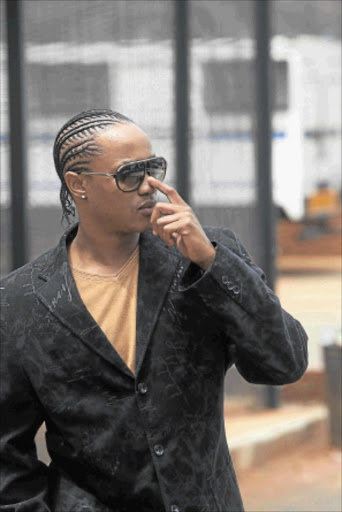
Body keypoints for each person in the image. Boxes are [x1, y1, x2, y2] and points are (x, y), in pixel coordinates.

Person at [0, 109, 308, 512]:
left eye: (153, 167)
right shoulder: (20, 299)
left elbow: (284, 363)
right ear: (78, 185)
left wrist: (213, 263)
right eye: (129, 173)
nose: (150, 185)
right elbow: (7, 456)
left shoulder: (203, 260)